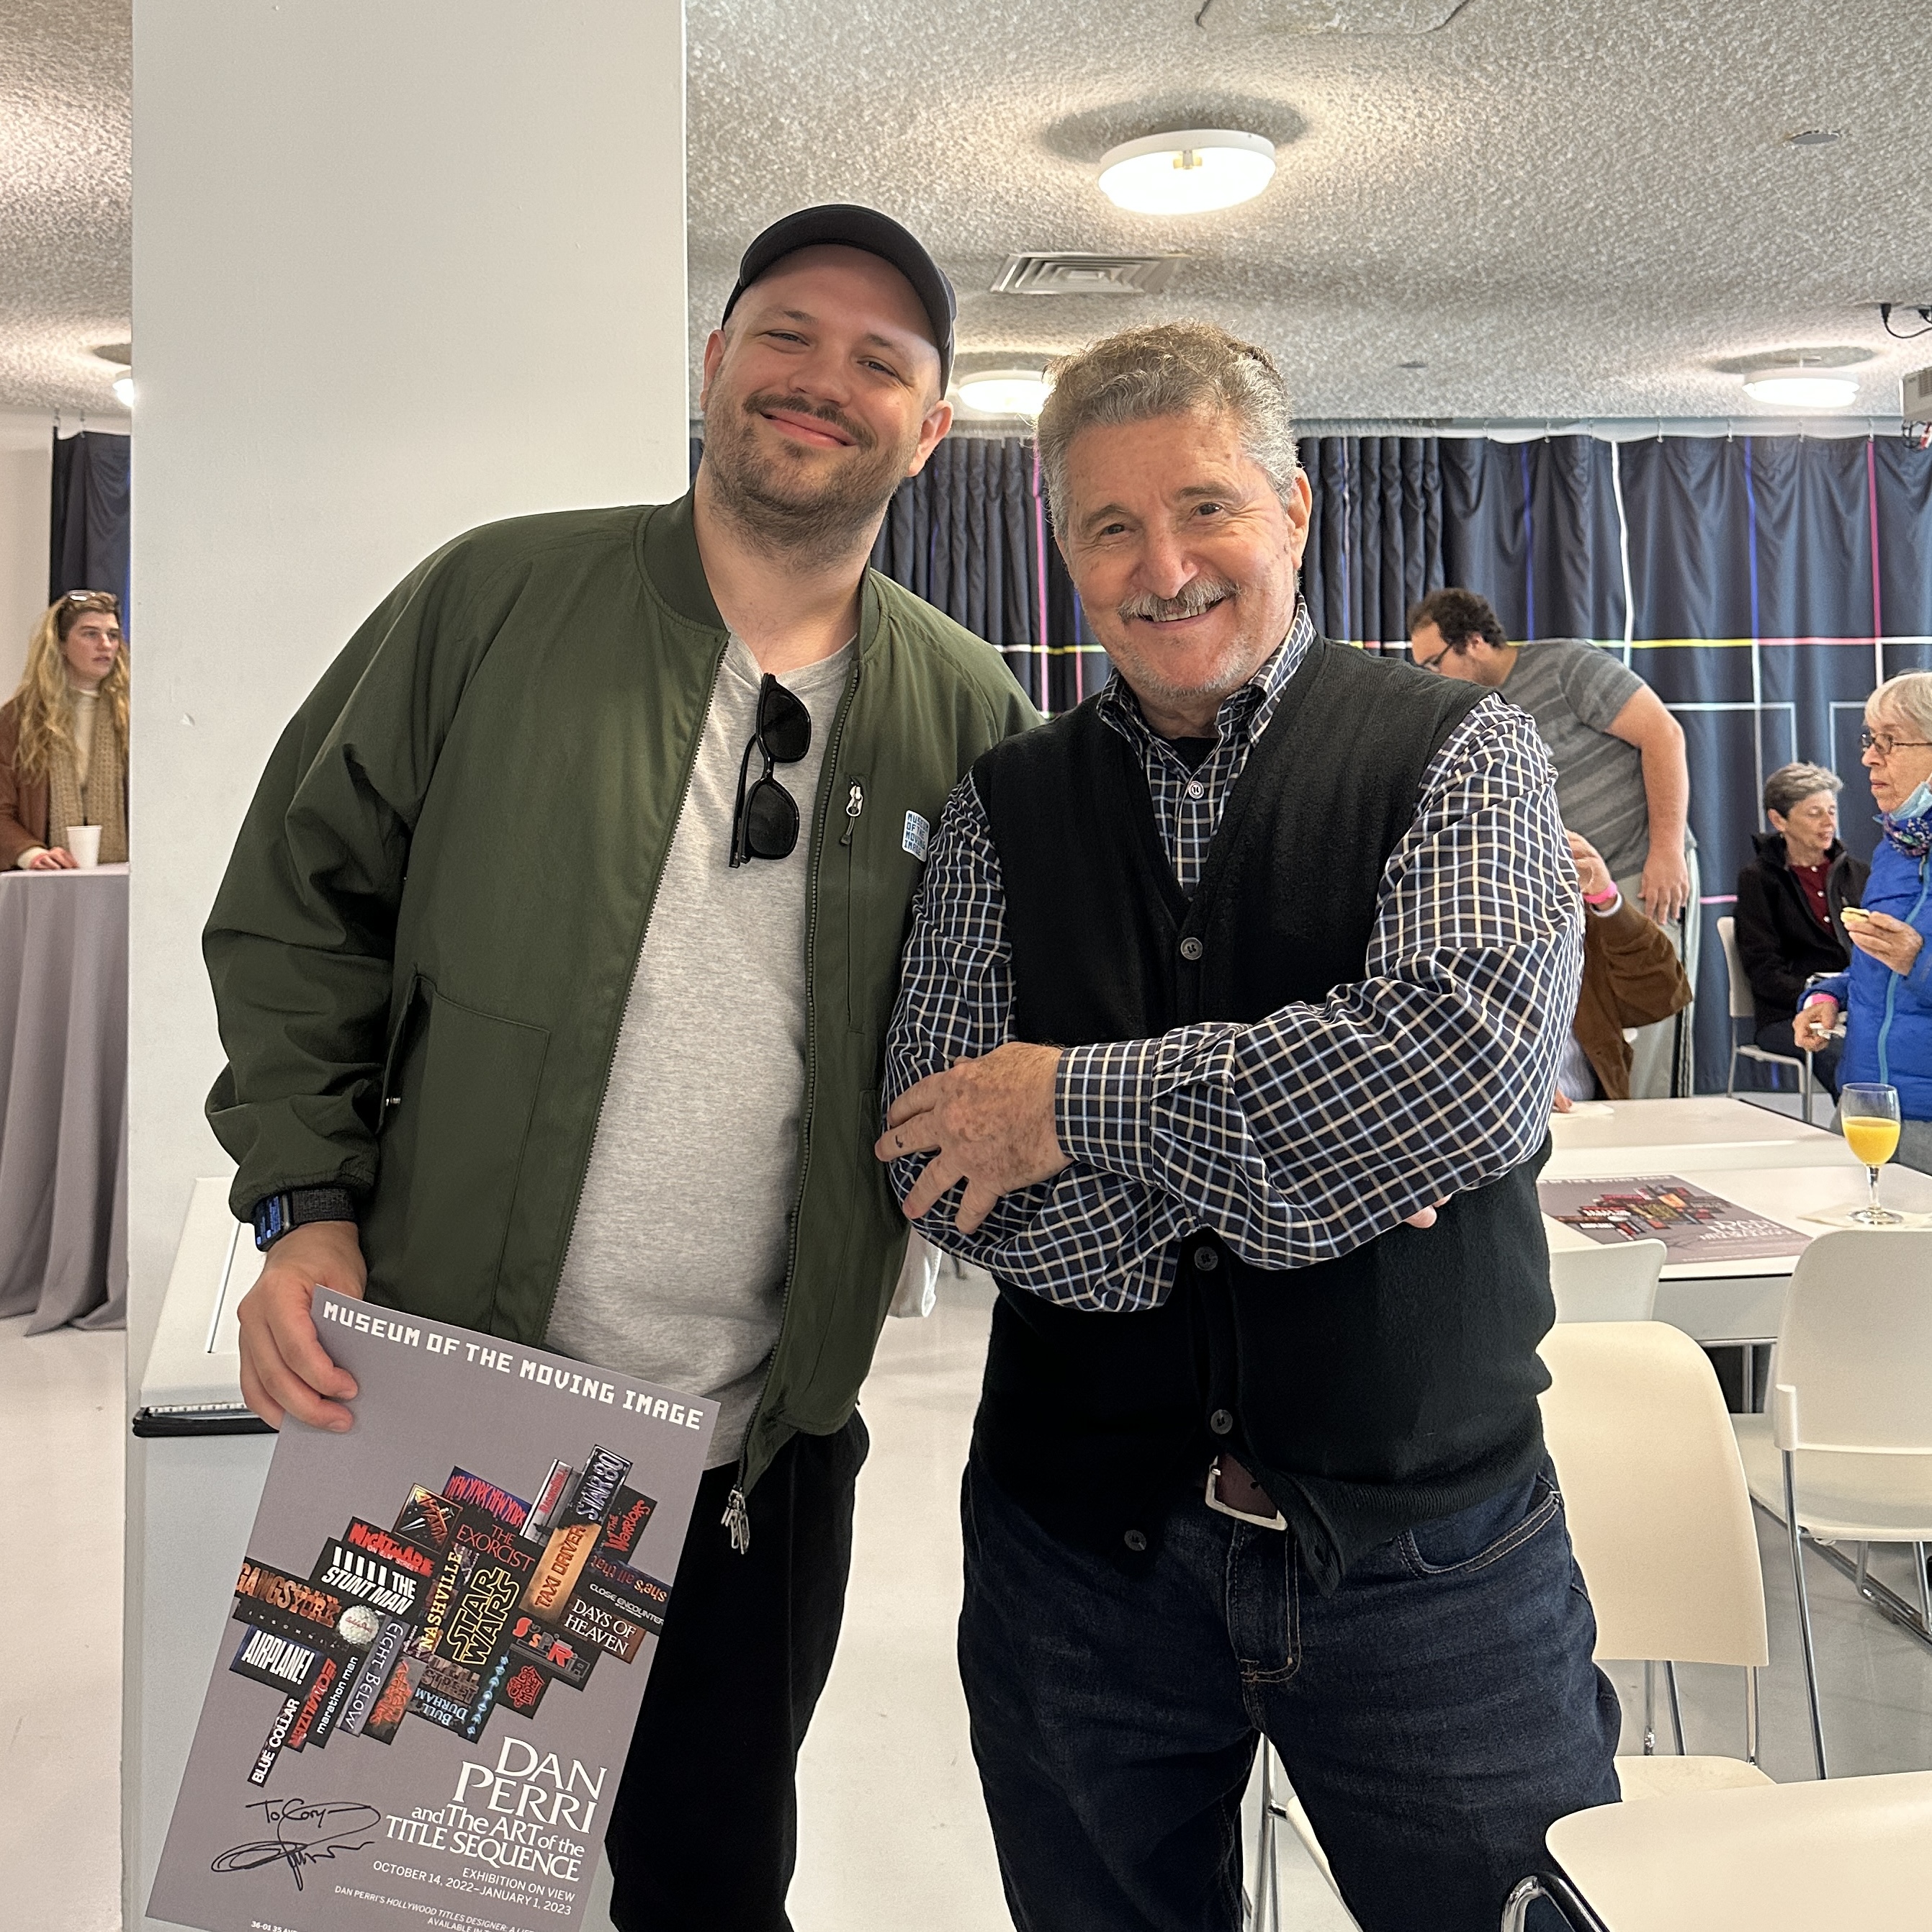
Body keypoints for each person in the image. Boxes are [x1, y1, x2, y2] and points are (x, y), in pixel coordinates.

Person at [203, 205, 1036, 1932]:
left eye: (878, 361)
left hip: (760, 1455)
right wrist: (304, 1203)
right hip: (458, 1412)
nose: (821, 381)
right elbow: (297, 903)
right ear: (714, 358)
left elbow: (1076, 992)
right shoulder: (496, 601)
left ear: (932, 427)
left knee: (708, 1891)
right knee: (384, 1891)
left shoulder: (967, 713)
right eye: (785, 334)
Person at [875, 322, 1616, 1932]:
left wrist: (1062, 1100)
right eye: (1110, 526)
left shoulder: (1463, 750)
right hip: (1077, 1566)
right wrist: (1332, 1171)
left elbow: (1461, 1071)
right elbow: (942, 1163)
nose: (1163, 568)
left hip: (1432, 1563)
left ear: (1293, 509)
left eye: (1204, 507)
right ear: (1063, 550)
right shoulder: (1003, 806)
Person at [1408, 585, 1696, 1097]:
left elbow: (1663, 735)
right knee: (1595, 1042)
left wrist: (1666, 849)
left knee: (1652, 1028)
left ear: (1473, 641)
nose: (1431, 677)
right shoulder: (1475, 714)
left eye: (1434, 662)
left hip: (1638, 867)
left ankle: (1655, 1142)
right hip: (1567, 893)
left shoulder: (1564, 665)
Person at [1794, 673, 1932, 1173]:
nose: (1869, 757)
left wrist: (1919, 962)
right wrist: (1828, 996)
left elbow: (1910, 964)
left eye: (1890, 741)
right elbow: (1879, 969)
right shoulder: (1895, 848)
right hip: (1865, 1107)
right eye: (1869, 739)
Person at [1733, 761, 1866, 1097]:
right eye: (1814, 813)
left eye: (1832, 811)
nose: (1829, 823)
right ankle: (1860, 1128)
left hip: (1860, 1006)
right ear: (1779, 820)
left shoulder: (1859, 874)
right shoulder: (1759, 880)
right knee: (1848, 1057)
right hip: (1788, 1014)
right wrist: (1819, 1001)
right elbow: (1764, 970)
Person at [1555, 828, 1691, 1107]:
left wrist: (1607, 901)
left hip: (1592, 1110)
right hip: (1496, 1111)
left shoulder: (1576, 917)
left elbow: (1663, 995)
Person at [0, 590, 129, 868]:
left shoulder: (133, 716)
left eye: (113, 635)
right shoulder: (19, 719)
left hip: (126, 876)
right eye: (90, 634)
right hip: (45, 878)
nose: (105, 645)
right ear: (60, 644)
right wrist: (31, 854)